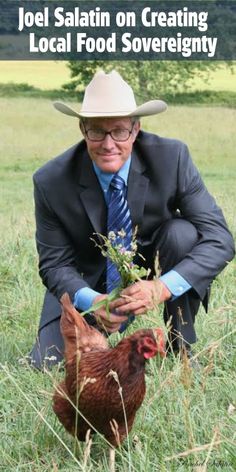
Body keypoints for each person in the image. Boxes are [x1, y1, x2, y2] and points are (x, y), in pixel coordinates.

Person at [30, 70, 234, 369]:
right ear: (82, 129)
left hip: (153, 265)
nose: (108, 143)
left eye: (120, 131)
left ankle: (181, 344)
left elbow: (220, 239)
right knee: (48, 364)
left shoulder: (172, 158)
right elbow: (53, 264)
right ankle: (98, 329)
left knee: (182, 234)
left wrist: (161, 286)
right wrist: (93, 301)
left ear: (136, 129)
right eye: (97, 131)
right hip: (88, 279)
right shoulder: (51, 181)